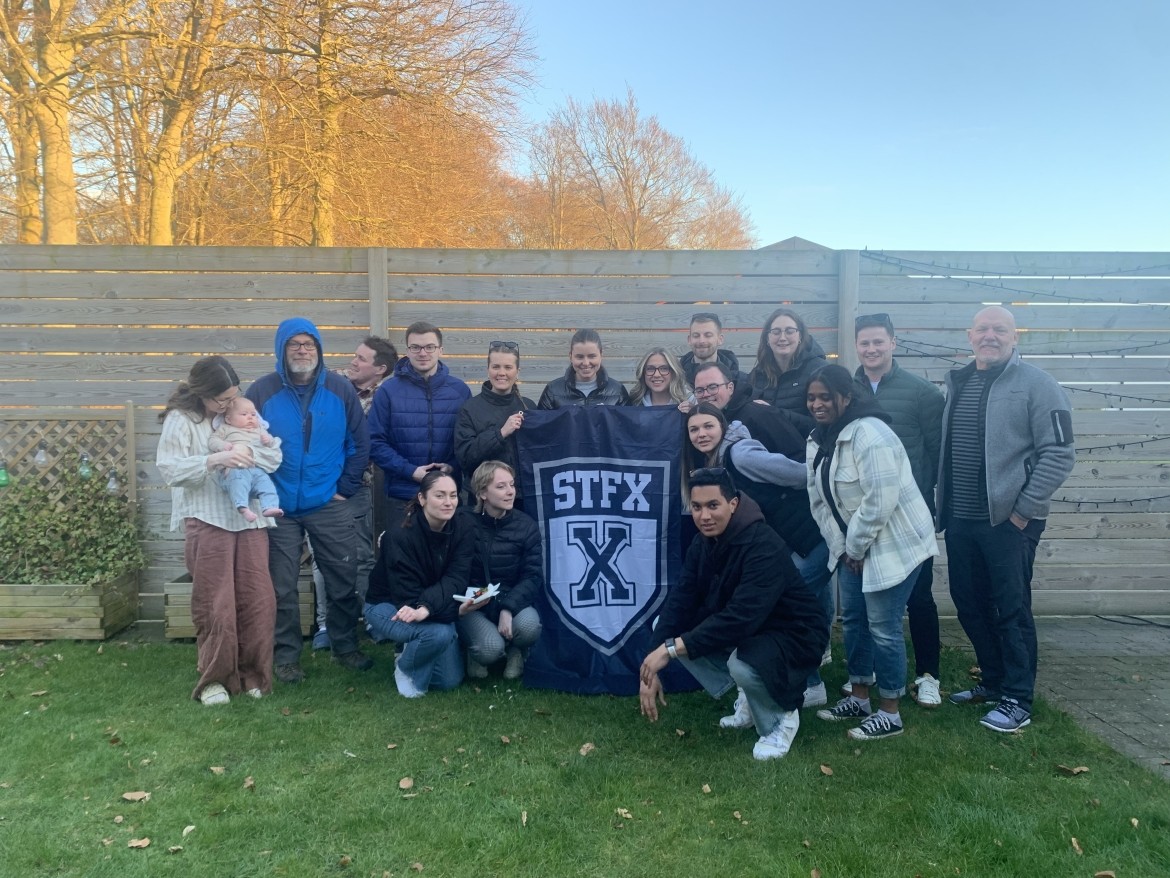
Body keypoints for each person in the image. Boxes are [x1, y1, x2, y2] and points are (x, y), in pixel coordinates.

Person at [938, 306, 1075, 733]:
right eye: (983, 329)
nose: (990, 336)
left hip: (1009, 522)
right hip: (961, 519)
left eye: (1000, 329)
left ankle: (1019, 698)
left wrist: (1021, 511)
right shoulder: (958, 382)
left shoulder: (1038, 385)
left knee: (1011, 610)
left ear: (1016, 337)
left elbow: (1059, 453)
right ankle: (994, 682)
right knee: (969, 603)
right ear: (969, 335)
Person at [638, 467, 827, 761]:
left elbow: (741, 617)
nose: (704, 516)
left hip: (795, 632)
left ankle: (782, 717)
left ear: (733, 504)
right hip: (752, 628)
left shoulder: (762, 544)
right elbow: (680, 601)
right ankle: (751, 700)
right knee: (665, 625)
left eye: (713, 505)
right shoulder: (703, 542)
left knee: (742, 663)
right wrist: (652, 664)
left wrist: (670, 650)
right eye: (697, 507)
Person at [805, 365, 939, 741]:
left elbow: (880, 501)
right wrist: (844, 549)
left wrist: (856, 547)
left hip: (896, 543)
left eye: (825, 396)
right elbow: (819, 503)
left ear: (845, 397)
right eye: (812, 397)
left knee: (883, 626)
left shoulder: (871, 434)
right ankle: (859, 696)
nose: (817, 404)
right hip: (854, 548)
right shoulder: (817, 440)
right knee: (854, 623)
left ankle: (890, 711)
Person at [246, 317, 373, 684]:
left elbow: (360, 442)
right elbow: (243, 441)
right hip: (278, 506)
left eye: (309, 344)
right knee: (282, 585)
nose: (303, 351)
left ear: (319, 349)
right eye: (294, 344)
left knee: (342, 578)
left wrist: (344, 488)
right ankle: (286, 657)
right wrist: (259, 489)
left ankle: (345, 646)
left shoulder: (339, 389)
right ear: (281, 349)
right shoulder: (262, 392)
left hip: (328, 502)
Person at [681, 403, 832, 707]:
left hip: (810, 536)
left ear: (722, 425)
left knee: (785, 610)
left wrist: (822, 501)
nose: (701, 434)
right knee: (807, 606)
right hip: (789, 542)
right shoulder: (710, 463)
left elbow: (801, 474)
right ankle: (809, 666)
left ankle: (809, 685)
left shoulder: (740, 454)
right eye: (694, 429)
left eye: (708, 426)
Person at [156, 356, 280, 705]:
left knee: (259, 599)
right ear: (201, 393)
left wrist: (249, 451)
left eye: (232, 397)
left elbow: (273, 457)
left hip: (250, 518)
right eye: (221, 399)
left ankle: (253, 674)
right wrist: (214, 460)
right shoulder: (183, 420)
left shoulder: (242, 412)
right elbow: (169, 470)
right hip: (207, 518)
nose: (228, 405)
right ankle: (215, 680)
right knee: (217, 604)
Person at [849, 312, 946, 707]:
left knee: (918, 596)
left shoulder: (922, 393)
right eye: (864, 343)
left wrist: (935, 506)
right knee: (866, 603)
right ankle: (868, 675)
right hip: (864, 516)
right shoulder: (846, 390)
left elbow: (939, 455)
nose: (871, 349)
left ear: (893, 342)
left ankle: (928, 675)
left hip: (908, 515)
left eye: (878, 342)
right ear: (856, 346)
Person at [311, 335, 397, 651]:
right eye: (355, 355)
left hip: (357, 488)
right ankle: (324, 625)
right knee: (322, 559)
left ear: (381, 369)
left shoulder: (384, 398)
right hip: (318, 488)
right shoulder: (328, 385)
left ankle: (368, 619)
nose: (353, 361)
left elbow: (367, 443)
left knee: (361, 557)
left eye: (361, 359)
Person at [365, 471, 473, 697]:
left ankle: (409, 650)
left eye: (453, 495)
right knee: (440, 634)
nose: (448, 502)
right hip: (390, 605)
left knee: (448, 681)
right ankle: (406, 669)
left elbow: (457, 577)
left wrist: (429, 608)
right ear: (422, 498)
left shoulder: (462, 527)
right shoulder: (399, 536)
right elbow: (407, 596)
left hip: (428, 607)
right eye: (440, 495)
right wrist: (445, 610)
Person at [369, 321, 471, 532]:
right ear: (407, 350)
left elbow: (467, 442)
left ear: (440, 350)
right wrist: (411, 471)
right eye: (415, 347)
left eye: (429, 347)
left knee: (446, 560)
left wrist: (451, 466)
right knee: (402, 561)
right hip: (402, 495)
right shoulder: (388, 391)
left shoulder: (460, 391)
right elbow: (375, 442)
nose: (422, 353)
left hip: (447, 496)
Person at [458, 461, 543, 680]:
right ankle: (474, 651)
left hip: (511, 598)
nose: (510, 492)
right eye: (501, 486)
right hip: (473, 603)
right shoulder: (463, 522)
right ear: (483, 493)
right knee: (489, 650)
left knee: (529, 626)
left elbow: (532, 576)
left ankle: (517, 651)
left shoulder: (526, 526)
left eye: (512, 485)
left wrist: (508, 608)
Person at [454, 341, 535, 497]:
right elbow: (465, 458)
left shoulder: (529, 407)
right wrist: (501, 433)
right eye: (496, 367)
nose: (501, 373)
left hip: (522, 497)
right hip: (481, 499)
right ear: (488, 370)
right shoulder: (469, 409)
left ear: (517, 371)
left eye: (508, 367)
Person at [692, 362, 808, 456]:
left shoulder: (762, 415)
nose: (706, 394)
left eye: (713, 387)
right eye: (699, 390)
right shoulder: (697, 424)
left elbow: (798, 455)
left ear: (730, 388)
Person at [748, 308, 828, 434]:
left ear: (800, 336)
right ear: (767, 338)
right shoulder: (758, 374)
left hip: (806, 450)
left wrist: (775, 414)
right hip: (765, 451)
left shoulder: (819, 372)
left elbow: (824, 424)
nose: (782, 338)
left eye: (790, 331)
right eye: (776, 332)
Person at [207, 396, 283, 522]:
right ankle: (243, 507)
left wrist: (268, 441)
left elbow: (272, 446)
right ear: (228, 419)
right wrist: (222, 445)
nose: (250, 417)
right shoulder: (226, 428)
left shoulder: (259, 429)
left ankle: (269, 506)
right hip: (234, 468)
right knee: (238, 482)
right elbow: (212, 441)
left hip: (256, 468)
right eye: (244, 414)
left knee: (267, 484)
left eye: (253, 414)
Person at [538, 328, 630, 408]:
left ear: (601, 355)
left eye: (592, 356)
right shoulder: (553, 390)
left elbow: (628, 426)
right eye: (579, 357)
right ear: (570, 356)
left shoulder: (618, 391)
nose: (586, 363)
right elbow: (541, 426)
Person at [679, 312, 740, 386]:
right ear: (689, 340)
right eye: (696, 335)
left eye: (708, 335)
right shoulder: (676, 377)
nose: (701, 341)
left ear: (720, 339)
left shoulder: (738, 380)